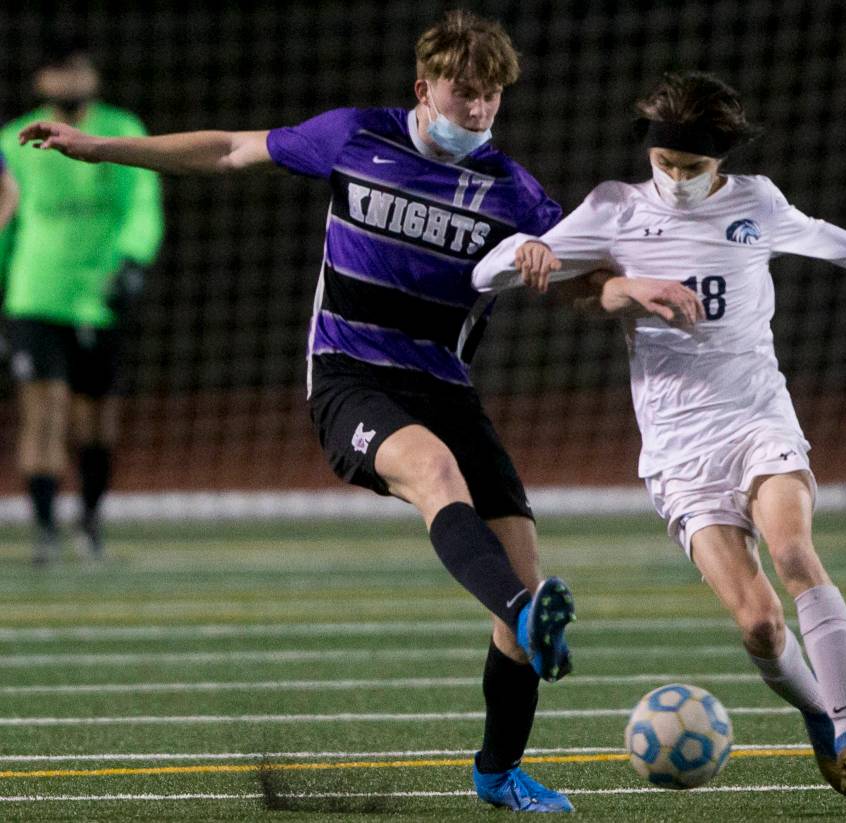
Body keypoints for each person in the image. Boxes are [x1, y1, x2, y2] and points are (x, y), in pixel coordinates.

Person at [18, 11, 577, 813]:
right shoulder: (355, 136)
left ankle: (498, 769)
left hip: (446, 387)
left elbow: (591, 268)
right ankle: (525, 615)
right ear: (423, 89)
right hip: (350, 378)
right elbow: (228, 148)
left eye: (492, 96)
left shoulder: (511, 189)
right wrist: (102, 147)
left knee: (520, 567)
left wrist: (580, 264)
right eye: (465, 94)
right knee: (436, 476)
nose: (480, 110)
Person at [473, 70, 846, 802]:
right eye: (665, 163)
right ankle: (819, 715)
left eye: (693, 166)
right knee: (760, 625)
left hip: (756, 417)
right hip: (679, 451)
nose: (676, 180)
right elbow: (489, 275)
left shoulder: (756, 203)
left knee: (794, 551)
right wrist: (522, 252)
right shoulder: (614, 208)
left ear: (722, 159)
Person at [0, 42, 164, 563]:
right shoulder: (13, 139)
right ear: (40, 81)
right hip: (35, 295)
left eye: (77, 70)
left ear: (92, 76)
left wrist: (133, 260)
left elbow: (143, 204)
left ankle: (90, 523)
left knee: (97, 422)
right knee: (43, 413)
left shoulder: (122, 129)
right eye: (58, 71)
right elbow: (5, 221)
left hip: (101, 296)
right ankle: (45, 532)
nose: (69, 81)